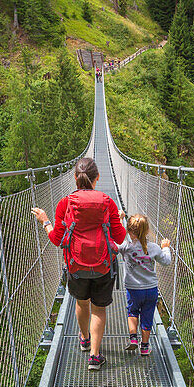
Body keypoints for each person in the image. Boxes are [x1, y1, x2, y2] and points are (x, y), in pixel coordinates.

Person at [32, 157, 125, 371]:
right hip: (104, 266)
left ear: (75, 178)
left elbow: (56, 239)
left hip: (76, 266)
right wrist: (118, 219)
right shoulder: (108, 202)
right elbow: (119, 239)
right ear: (97, 178)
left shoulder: (65, 203)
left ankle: (84, 338)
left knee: (82, 303)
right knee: (99, 309)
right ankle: (94, 356)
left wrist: (45, 220)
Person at [117, 214, 172, 356]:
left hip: (133, 289)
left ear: (129, 231)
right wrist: (165, 247)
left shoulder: (126, 247)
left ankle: (133, 338)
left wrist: (120, 220)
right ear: (147, 231)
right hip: (151, 289)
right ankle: (145, 347)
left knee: (132, 312)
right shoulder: (154, 248)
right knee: (147, 316)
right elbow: (166, 261)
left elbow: (116, 242)